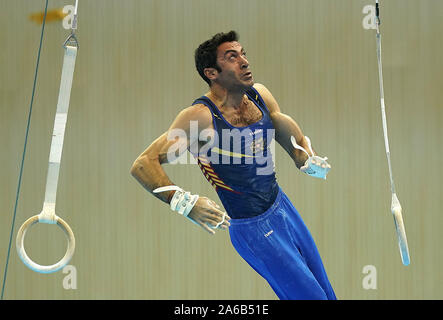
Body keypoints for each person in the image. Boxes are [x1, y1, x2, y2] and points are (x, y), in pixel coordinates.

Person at [130, 31, 336, 300]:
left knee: (327, 294)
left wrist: (306, 157)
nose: (244, 61)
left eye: (243, 54)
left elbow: (280, 122)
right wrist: (184, 202)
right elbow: (144, 163)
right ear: (211, 72)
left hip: (283, 208)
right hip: (253, 228)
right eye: (232, 57)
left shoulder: (259, 94)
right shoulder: (200, 118)